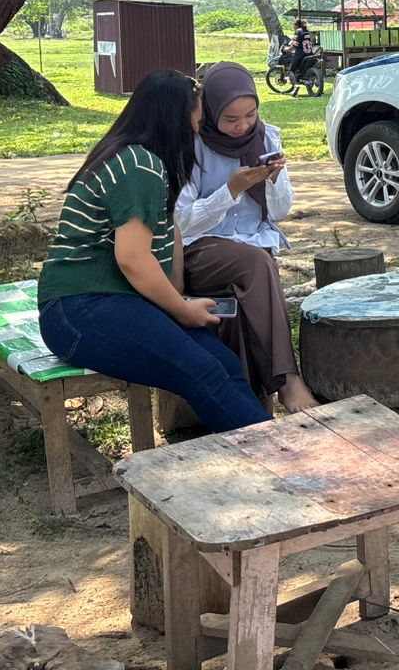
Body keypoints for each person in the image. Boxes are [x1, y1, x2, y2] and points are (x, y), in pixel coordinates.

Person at [37, 69, 269, 433]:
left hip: (117, 303)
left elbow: (167, 234)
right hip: (77, 311)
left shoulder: (147, 162)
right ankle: (279, 453)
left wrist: (177, 300)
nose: (197, 134)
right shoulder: (138, 166)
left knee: (222, 361)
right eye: (194, 125)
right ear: (173, 123)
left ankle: (268, 442)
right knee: (201, 370)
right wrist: (180, 309)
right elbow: (132, 258)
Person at [176, 62, 319, 413]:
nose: (242, 126)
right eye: (231, 119)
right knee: (256, 264)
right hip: (200, 250)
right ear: (210, 111)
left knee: (247, 291)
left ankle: (245, 406)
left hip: (252, 247)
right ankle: (288, 380)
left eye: (250, 116)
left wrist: (273, 180)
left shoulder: (266, 137)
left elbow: (280, 211)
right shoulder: (192, 144)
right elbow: (182, 223)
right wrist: (230, 190)